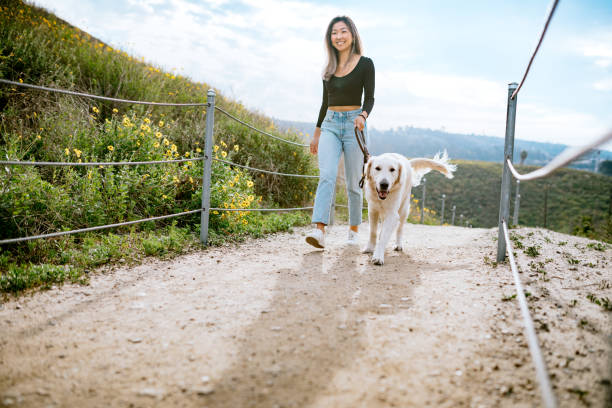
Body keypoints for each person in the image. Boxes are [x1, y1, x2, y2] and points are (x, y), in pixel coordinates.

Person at [305, 15, 375, 249]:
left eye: (343, 31)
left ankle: (354, 230)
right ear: (330, 38)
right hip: (330, 124)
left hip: (355, 125)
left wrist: (362, 116)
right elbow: (324, 104)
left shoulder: (366, 64)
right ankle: (319, 231)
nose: (338, 36)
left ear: (352, 34)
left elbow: (370, 98)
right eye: (334, 33)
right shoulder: (329, 70)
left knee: (354, 183)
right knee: (326, 175)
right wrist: (316, 134)